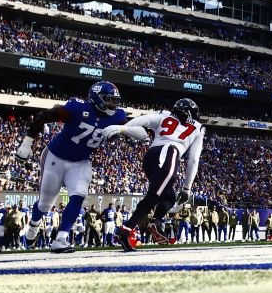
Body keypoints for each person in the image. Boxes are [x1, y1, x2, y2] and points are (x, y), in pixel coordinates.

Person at [13, 81, 143, 253]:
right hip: (56, 156)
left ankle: (61, 239)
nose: (113, 104)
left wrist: (122, 130)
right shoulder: (77, 108)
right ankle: (34, 224)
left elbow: (142, 134)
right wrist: (27, 143)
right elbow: (43, 116)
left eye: (115, 100)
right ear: (96, 98)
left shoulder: (117, 117)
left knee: (79, 195)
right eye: (108, 100)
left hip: (81, 161)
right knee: (45, 204)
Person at [105, 98, 207, 251]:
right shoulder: (198, 127)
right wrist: (187, 188)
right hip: (169, 153)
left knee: (169, 197)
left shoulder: (163, 115)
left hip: (150, 157)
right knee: (154, 196)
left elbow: (141, 120)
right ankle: (127, 229)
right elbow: (193, 160)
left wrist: (122, 128)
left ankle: (156, 221)